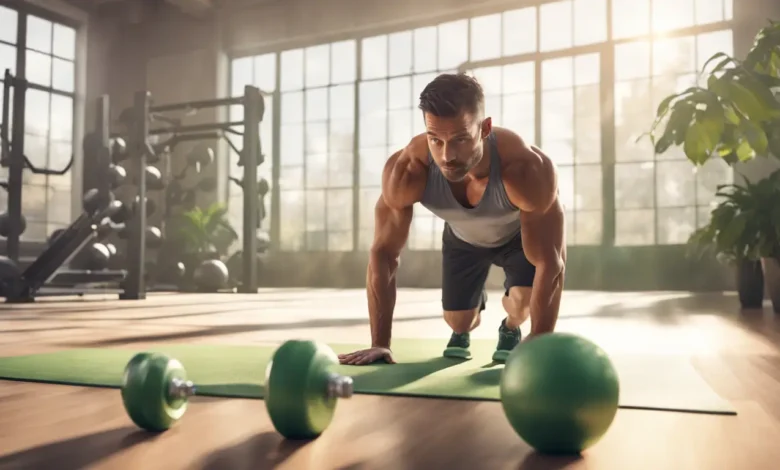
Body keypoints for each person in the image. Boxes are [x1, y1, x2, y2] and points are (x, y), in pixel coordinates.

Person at [338, 73, 566, 366]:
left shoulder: (525, 170)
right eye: (436, 140)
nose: (447, 156)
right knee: (459, 323)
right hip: (463, 240)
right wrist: (380, 342)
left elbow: (551, 261)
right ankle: (468, 315)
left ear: (485, 128)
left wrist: (539, 339)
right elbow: (382, 253)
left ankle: (510, 327)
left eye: (460, 139)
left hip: (517, 238)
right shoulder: (408, 170)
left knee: (523, 302)